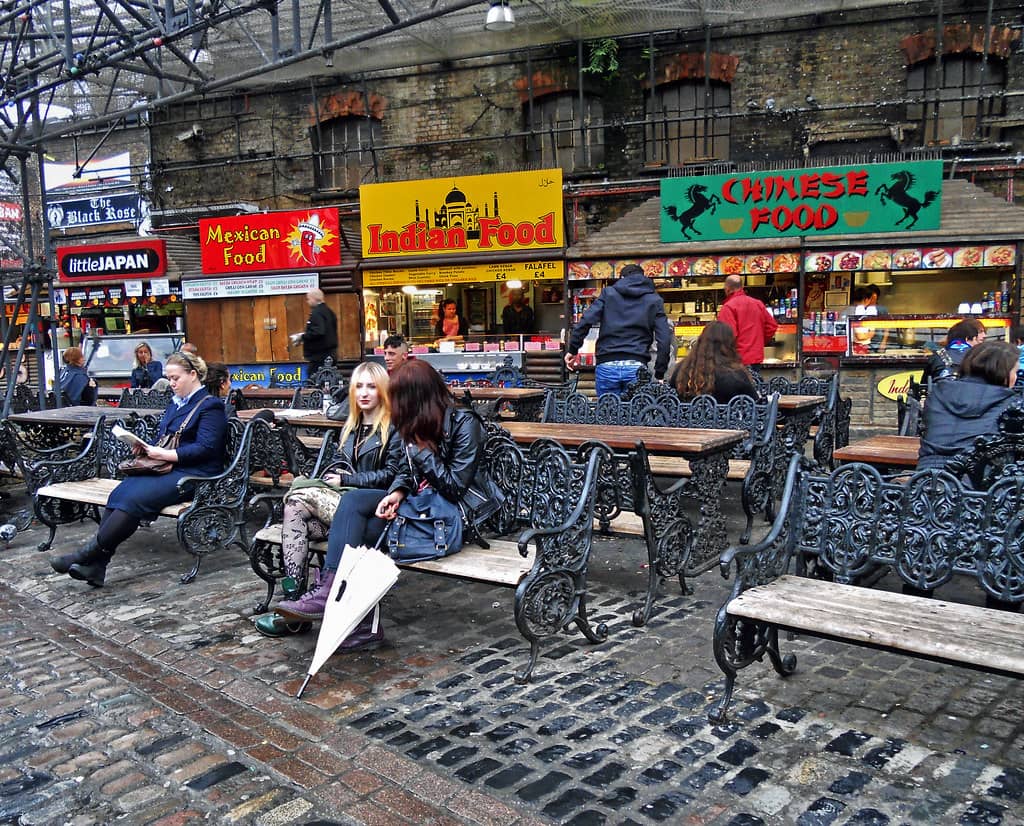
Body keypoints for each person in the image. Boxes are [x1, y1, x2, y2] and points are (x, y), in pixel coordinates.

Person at [275, 359, 501, 651]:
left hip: (451, 514)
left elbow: (455, 488)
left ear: (420, 396)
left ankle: (360, 621)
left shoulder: (464, 423)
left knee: (364, 530)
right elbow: (405, 474)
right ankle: (334, 590)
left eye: (401, 398)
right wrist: (396, 493)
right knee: (354, 502)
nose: (396, 406)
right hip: (417, 503)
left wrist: (420, 453)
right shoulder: (419, 420)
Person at [48, 352, 228, 587]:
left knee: (134, 500)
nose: (171, 383)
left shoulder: (210, 406)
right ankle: (97, 566)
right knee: (120, 493)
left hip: (197, 474)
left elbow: (207, 449)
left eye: (176, 378)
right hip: (170, 468)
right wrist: (144, 448)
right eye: (169, 378)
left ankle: (86, 556)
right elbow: (165, 437)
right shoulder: (176, 403)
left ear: (193, 375)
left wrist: (163, 454)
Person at [255, 362, 404, 638]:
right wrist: (336, 473)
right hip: (343, 506)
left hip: (374, 506)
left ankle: (301, 608)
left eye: (371, 386)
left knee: (298, 502)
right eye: (358, 386)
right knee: (294, 510)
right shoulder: (351, 426)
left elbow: (393, 475)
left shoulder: (393, 427)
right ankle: (297, 603)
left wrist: (348, 480)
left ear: (383, 389)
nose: (364, 393)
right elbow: (339, 461)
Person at [565, 263, 673, 396]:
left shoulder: (608, 294)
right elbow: (664, 339)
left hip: (607, 363)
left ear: (621, 278)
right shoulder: (654, 300)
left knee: (607, 412)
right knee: (636, 413)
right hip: (637, 365)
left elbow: (586, 321)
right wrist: (660, 372)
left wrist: (572, 349)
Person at [917, 340, 1018, 472]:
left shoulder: (938, 393)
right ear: (1003, 372)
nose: (1015, 378)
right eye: (1015, 372)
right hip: (980, 483)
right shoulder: (1011, 404)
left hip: (927, 479)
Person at [670, 321, 758, 404]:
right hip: (726, 419)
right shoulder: (736, 375)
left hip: (686, 419)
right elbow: (755, 404)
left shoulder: (681, 370)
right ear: (730, 344)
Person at [717, 274, 778, 367]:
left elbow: (728, 336)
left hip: (736, 360)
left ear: (727, 288)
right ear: (742, 287)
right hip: (756, 358)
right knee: (755, 381)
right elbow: (772, 326)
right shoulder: (758, 304)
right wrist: (759, 342)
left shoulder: (728, 307)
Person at [922, 318, 986, 383]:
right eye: (980, 332)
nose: (984, 335)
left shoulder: (937, 356)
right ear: (967, 338)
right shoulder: (982, 358)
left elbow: (924, 387)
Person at [290, 288, 338, 374]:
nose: (307, 302)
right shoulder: (329, 312)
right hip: (331, 355)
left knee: (314, 382)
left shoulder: (317, 313)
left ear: (314, 298)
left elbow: (319, 331)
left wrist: (302, 337)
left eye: (308, 299)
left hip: (319, 357)